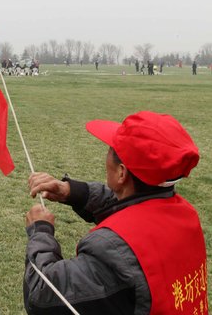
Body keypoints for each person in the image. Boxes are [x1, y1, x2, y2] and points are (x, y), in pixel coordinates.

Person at [24, 111, 207, 314]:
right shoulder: (185, 215)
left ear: (122, 172)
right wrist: (72, 192)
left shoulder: (112, 251)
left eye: (110, 149)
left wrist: (40, 231)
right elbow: (132, 207)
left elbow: (42, 295)